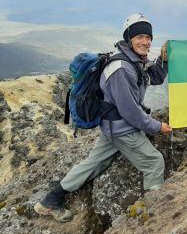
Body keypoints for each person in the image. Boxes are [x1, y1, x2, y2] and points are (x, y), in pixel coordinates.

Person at [34, 13, 172, 222]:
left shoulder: (134, 60)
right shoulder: (121, 69)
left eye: (148, 37)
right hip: (122, 129)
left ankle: (49, 201)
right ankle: (154, 219)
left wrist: (163, 60)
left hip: (112, 127)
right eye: (140, 37)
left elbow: (152, 77)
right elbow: (130, 112)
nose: (145, 42)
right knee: (154, 162)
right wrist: (156, 126)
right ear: (129, 39)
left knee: (93, 163)